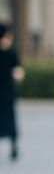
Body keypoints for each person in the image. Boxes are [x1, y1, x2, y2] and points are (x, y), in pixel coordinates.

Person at [0, 23, 22, 161]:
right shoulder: (11, 51)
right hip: (8, 90)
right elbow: (18, 71)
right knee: (9, 117)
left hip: (6, 90)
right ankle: (13, 145)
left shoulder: (11, 51)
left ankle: (13, 145)